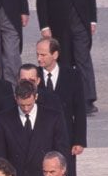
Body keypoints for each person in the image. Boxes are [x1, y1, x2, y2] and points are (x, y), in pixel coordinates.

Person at [36, 0, 99, 115]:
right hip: (58, 23)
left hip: (80, 21)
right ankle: (66, 99)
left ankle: (87, 100)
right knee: (64, 61)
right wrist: (44, 25)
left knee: (83, 59)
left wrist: (92, 19)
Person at [0, 81, 70, 176]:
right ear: (15, 98)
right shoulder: (1, 120)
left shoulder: (53, 118)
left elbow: (61, 150)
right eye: (22, 105)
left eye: (29, 104)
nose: (26, 109)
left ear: (36, 96)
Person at [36, 38, 89, 167]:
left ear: (55, 54)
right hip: (40, 137)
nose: (39, 58)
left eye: (43, 55)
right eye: (37, 54)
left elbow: (80, 109)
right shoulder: (33, 75)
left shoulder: (72, 75)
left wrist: (79, 140)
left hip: (66, 136)